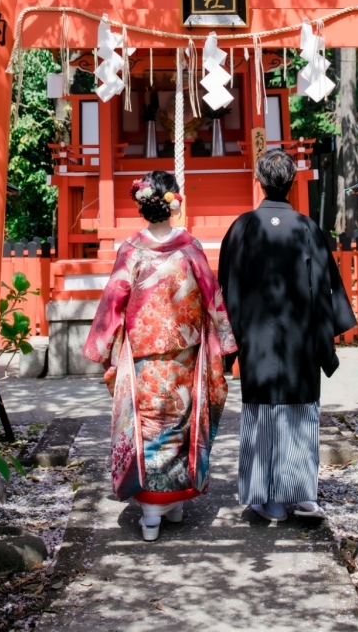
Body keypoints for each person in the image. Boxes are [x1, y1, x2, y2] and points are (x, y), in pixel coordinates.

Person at [83, 170, 236, 542]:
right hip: (184, 354)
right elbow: (212, 296)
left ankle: (153, 509)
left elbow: (114, 299)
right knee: (179, 422)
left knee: (150, 424)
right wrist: (225, 339)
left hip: (144, 356)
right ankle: (174, 500)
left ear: (143, 206)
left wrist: (101, 344)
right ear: (174, 203)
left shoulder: (131, 250)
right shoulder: (190, 247)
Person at [218, 148, 357, 523]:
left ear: (259, 181)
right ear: (293, 183)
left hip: (257, 342)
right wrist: (324, 344)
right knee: (300, 410)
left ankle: (269, 498)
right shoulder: (307, 228)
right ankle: (302, 493)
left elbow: (229, 292)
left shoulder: (242, 228)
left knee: (262, 412)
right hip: (300, 341)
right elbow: (324, 291)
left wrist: (228, 349)